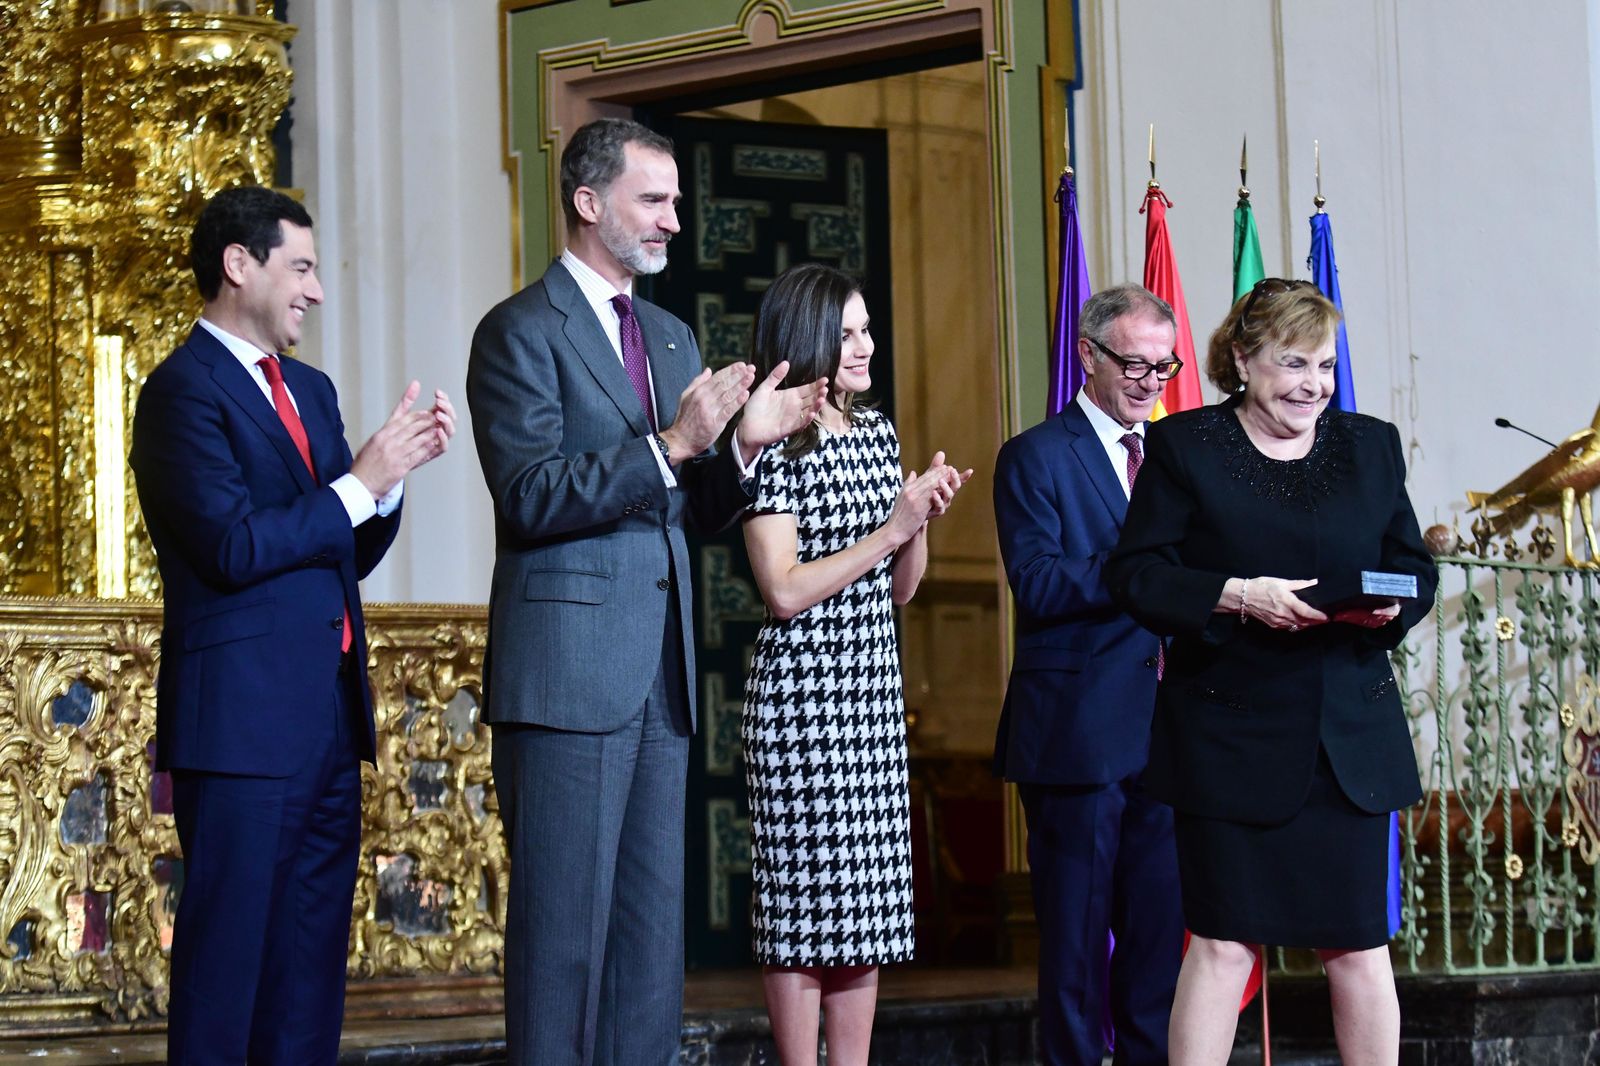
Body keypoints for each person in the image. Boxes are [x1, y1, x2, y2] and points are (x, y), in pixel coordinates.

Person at [465, 118, 826, 1066]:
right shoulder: (518, 331)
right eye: (653, 200)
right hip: (567, 676)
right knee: (562, 942)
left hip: (659, 677)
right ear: (589, 204)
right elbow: (532, 495)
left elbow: (692, 504)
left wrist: (746, 440)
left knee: (647, 945)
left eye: (675, 200)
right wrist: (673, 444)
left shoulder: (667, 334)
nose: (676, 219)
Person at [130, 185, 455, 1064]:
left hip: (327, 720)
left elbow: (338, 552)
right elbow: (233, 547)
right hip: (238, 728)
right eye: (300, 267)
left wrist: (387, 482)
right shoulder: (179, 394)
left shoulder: (310, 391)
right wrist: (357, 482)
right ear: (240, 265)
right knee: (226, 970)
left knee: (310, 974)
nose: (315, 289)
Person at [1106, 278, 1438, 1066]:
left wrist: (1395, 607)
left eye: (1323, 365)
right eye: (1293, 364)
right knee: (1222, 945)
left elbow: (1412, 568)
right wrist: (1235, 595)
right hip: (1228, 741)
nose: (1312, 384)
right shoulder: (1186, 447)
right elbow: (1138, 576)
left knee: (1358, 948)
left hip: (1347, 745)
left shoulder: (1371, 445)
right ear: (1245, 359)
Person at [738, 262, 971, 1066]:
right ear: (808, 340)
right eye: (846, 335)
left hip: (870, 694)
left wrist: (923, 516)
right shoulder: (773, 438)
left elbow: (902, 591)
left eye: (867, 330)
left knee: (862, 914)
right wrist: (888, 527)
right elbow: (784, 590)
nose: (865, 347)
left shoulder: (877, 432)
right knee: (804, 917)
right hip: (803, 701)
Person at [991, 283, 1184, 1066]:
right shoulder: (1035, 456)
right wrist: (1143, 569)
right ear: (1088, 354)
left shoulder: (1176, 459)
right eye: (1133, 364)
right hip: (1075, 735)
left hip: (1171, 736)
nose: (1147, 382)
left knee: (1157, 945)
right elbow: (1037, 582)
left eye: (1163, 368)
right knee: (1074, 948)